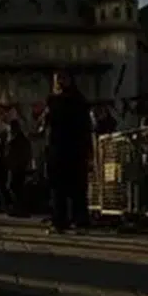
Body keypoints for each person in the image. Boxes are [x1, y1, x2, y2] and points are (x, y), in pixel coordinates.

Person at [42, 71, 94, 234]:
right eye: (57, 80)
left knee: (68, 188)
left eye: (62, 79)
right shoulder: (72, 100)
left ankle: (68, 220)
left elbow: (83, 127)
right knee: (67, 187)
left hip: (67, 149)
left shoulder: (68, 101)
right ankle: (69, 220)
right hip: (65, 149)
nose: (59, 83)